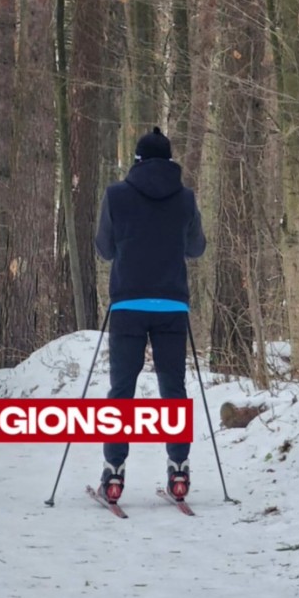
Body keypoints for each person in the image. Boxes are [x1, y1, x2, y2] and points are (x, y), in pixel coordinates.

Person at [93, 126, 206, 503]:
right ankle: (178, 466)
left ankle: (114, 470)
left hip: (127, 303)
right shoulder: (185, 198)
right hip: (172, 304)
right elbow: (196, 248)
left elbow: (105, 250)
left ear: (137, 160)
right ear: (170, 160)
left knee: (121, 391)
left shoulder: (116, 195)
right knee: (172, 387)